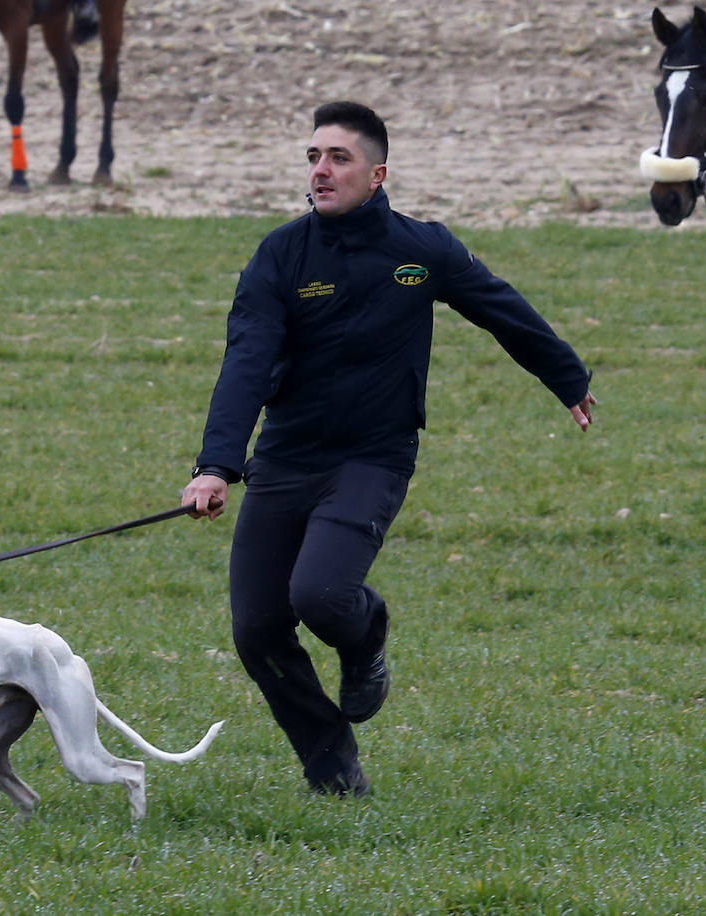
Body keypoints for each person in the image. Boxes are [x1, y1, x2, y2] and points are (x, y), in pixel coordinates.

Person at [181, 101, 596, 797]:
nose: (320, 170)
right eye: (313, 157)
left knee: (321, 594)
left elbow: (502, 307)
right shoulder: (280, 255)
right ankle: (332, 768)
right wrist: (217, 464)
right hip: (285, 458)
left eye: (337, 158)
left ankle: (367, 636)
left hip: (372, 458)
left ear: (377, 174)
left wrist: (568, 377)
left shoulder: (422, 249)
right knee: (257, 628)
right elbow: (246, 360)